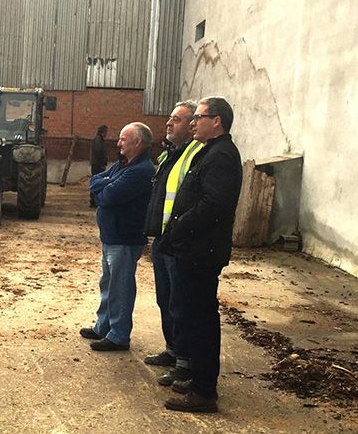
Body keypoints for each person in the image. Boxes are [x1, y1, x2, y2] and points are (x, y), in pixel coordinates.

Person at [160, 97, 243, 413]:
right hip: (192, 250)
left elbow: (213, 205)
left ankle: (204, 391)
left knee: (201, 321)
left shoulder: (222, 156)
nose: (193, 122)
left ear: (216, 120)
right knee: (193, 318)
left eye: (198, 117)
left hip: (200, 252)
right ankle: (197, 379)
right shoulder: (211, 152)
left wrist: (179, 226)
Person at [80, 123, 155, 351]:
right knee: (108, 283)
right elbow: (94, 181)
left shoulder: (140, 171)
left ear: (137, 142)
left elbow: (108, 197)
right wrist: (104, 185)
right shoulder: (123, 165)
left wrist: (104, 188)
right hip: (112, 236)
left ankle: (119, 335)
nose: (119, 143)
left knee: (120, 287)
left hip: (124, 238)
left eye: (123, 139)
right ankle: (103, 326)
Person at [143, 100, 202, 387]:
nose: (168, 123)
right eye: (170, 118)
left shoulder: (196, 154)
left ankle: (185, 362)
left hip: (177, 242)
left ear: (192, 126)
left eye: (176, 120)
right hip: (162, 239)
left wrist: (174, 233)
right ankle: (172, 350)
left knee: (180, 303)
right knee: (164, 300)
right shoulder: (170, 154)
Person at [89, 125, 109, 207]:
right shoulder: (98, 140)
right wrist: (102, 162)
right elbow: (98, 152)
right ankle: (94, 201)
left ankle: (94, 201)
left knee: (97, 181)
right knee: (98, 182)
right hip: (98, 164)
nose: (107, 134)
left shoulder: (99, 139)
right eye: (106, 132)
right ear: (103, 132)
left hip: (96, 164)